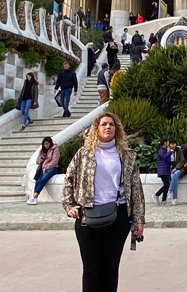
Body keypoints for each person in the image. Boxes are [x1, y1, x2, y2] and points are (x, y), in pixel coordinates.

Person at [62, 112, 145, 292]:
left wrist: (139, 219)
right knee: (91, 268)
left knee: (111, 267)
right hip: (88, 216)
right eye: (104, 124)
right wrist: (69, 205)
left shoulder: (126, 155)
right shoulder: (84, 153)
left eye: (112, 124)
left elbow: (136, 189)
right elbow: (69, 178)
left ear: (117, 130)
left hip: (118, 215)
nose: (108, 127)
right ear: (96, 129)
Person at [28, 137, 60, 205]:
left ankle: (35, 196)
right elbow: (37, 161)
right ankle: (34, 197)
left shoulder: (55, 149)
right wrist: (42, 158)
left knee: (44, 178)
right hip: (42, 168)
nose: (46, 146)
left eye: (47, 144)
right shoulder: (42, 151)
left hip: (52, 168)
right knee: (38, 179)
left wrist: (46, 167)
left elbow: (55, 161)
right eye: (45, 144)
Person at [154, 138, 176, 205]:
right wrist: (170, 152)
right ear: (164, 143)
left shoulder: (165, 150)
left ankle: (164, 200)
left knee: (166, 185)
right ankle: (156, 195)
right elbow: (165, 157)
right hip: (162, 170)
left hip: (166, 170)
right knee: (166, 185)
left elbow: (168, 160)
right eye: (168, 142)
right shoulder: (161, 150)